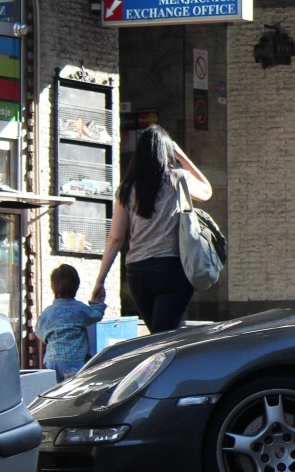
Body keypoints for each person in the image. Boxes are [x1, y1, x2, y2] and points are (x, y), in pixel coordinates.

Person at [91, 125, 212, 334]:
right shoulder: (178, 178)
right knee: (163, 339)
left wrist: (100, 280)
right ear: (167, 152)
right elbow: (207, 191)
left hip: (138, 275)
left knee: (159, 336)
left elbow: (116, 238)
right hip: (172, 269)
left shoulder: (127, 188)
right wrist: (181, 155)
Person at [37, 263, 106, 382]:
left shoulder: (48, 312)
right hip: (74, 362)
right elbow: (96, 316)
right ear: (76, 286)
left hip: (51, 362)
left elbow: (39, 332)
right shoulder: (79, 309)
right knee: (72, 393)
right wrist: (98, 302)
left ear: (53, 286)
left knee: (54, 393)